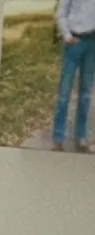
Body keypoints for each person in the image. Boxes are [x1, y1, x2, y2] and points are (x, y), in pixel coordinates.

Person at [55, 0, 95, 152]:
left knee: (85, 94)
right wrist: (67, 35)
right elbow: (61, 13)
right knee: (64, 93)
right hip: (74, 43)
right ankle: (58, 139)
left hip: (92, 43)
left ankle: (81, 137)